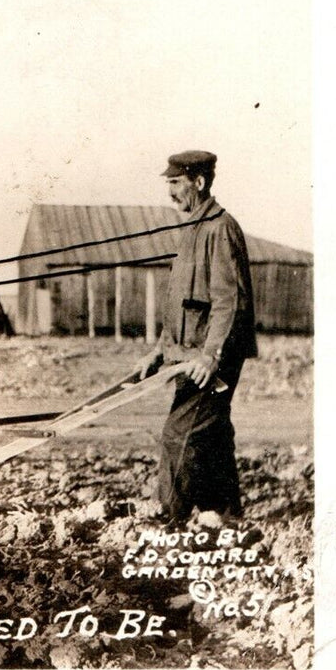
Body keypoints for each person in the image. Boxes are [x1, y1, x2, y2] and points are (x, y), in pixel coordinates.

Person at [133, 150, 257, 522]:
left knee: (180, 433)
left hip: (208, 359)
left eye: (175, 183)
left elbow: (228, 300)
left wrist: (211, 355)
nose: (169, 192)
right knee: (211, 433)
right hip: (186, 352)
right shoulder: (193, 228)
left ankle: (168, 517)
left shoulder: (220, 228)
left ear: (198, 183)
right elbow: (181, 302)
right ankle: (225, 513)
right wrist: (159, 351)